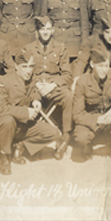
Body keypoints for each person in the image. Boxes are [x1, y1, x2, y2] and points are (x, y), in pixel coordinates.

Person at [0, 53, 62, 175]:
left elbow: (34, 90)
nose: (28, 71)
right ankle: (5, 156)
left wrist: (35, 100)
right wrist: (25, 112)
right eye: (24, 66)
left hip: (24, 126)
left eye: (31, 66)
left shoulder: (31, 78)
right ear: (16, 66)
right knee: (7, 120)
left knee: (54, 133)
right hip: (7, 128)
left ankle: (21, 145)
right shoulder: (4, 82)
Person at [22, 16, 74, 159]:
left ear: (53, 30)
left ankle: (65, 136)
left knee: (68, 96)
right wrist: (37, 83)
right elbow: (25, 73)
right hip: (35, 86)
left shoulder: (61, 48)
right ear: (37, 31)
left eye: (48, 29)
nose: (45, 32)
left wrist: (53, 85)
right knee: (25, 98)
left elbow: (67, 74)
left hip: (53, 86)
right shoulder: (28, 49)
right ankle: (26, 141)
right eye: (42, 29)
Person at [38, 0, 90, 77]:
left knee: (73, 77)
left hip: (74, 44)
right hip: (55, 43)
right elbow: (43, 24)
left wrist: (83, 46)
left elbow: (84, 24)